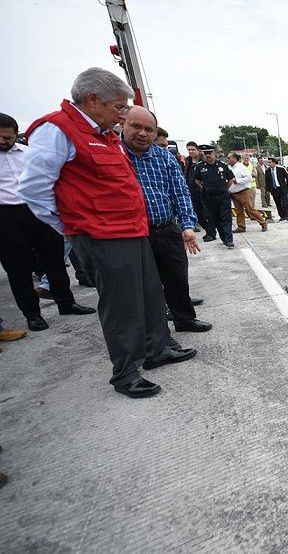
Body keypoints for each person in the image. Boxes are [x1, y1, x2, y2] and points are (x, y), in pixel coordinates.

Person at [19, 67, 196, 398]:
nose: (121, 114)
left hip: (132, 229)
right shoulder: (58, 130)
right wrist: (71, 226)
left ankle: (157, 350)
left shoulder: (105, 135)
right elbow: (33, 188)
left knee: (149, 294)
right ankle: (126, 372)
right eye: (118, 107)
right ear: (92, 99)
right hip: (102, 234)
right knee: (122, 304)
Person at [0, 112, 95, 331]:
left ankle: (66, 302)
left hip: (38, 210)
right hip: (6, 216)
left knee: (55, 258)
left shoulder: (28, 153)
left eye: (7, 137)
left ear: (16, 135)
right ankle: (32, 314)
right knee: (18, 266)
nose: (3, 141)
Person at [121, 106, 212, 333]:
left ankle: (185, 320)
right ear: (123, 125)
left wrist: (187, 225)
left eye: (149, 129)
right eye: (136, 126)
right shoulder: (115, 155)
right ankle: (158, 334)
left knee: (177, 277)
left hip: (167, 228)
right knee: (146, 286)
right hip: (135, 233)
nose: (143, 133)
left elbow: (180, 192)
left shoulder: (164, 158)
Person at [194, 145, 235, 248]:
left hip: (223, 196)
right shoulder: (200, 166)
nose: (208, 155)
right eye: (206, 153)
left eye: (210, 153)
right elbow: (197, 181)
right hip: (209, 197)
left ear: (214, 153)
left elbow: (230, 179)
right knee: (216, 219)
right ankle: (224, 238)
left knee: (226, 218)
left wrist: (224, 189)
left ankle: (229, 239)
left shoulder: (222, 165)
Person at [228, 152, 268, 233]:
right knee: (238, 211)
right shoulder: (229, 168)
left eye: (229, 158)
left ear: (234, 159)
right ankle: (241, 227)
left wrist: (238, 181)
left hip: (243, 192)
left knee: (250, 209)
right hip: (234, 193)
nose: (227, 160)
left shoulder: (241, 167)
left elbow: (249, 178)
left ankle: (263, 223)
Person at [184, 141, 208, 233]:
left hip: (202, 189)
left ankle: (211, 230)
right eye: (189, 150)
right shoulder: (188, 161)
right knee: (196, 210)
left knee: (206, 211)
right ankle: (207, 230)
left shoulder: (204, 160)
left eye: (193, 149)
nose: (191, 151)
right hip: (191, 189)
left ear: (198, 150)